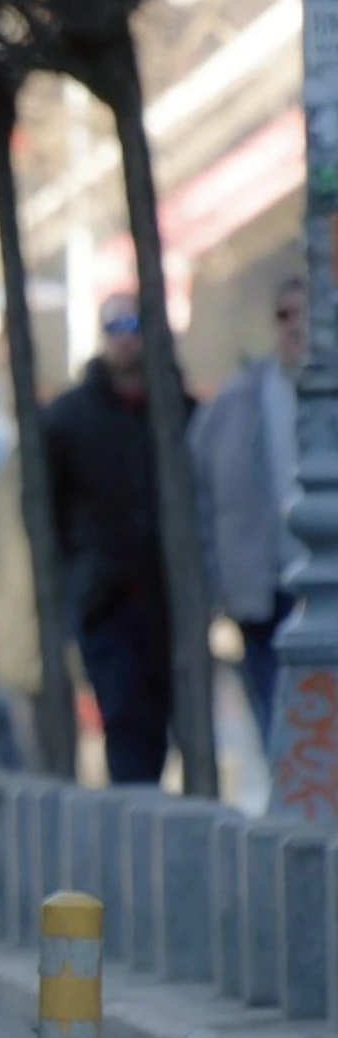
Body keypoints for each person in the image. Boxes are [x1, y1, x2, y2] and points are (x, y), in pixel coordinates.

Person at [46, 292, 188, 784]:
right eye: (114, 326)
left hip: (170, 596)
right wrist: (77, 572)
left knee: (166, 713)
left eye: (133, 324)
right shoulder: (68, 418)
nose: (125, 337)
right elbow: (46, 509)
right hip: (103, 598)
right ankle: (137, 805)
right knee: (124, 715)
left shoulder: (178, 408)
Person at [191, 276, 306, 746]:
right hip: (262, 589)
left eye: (306, 311)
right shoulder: (236, 402)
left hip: (324, 582)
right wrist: (217, 582)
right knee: (273, 719)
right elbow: (200, 494)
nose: (296, 326)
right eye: (284, 314)